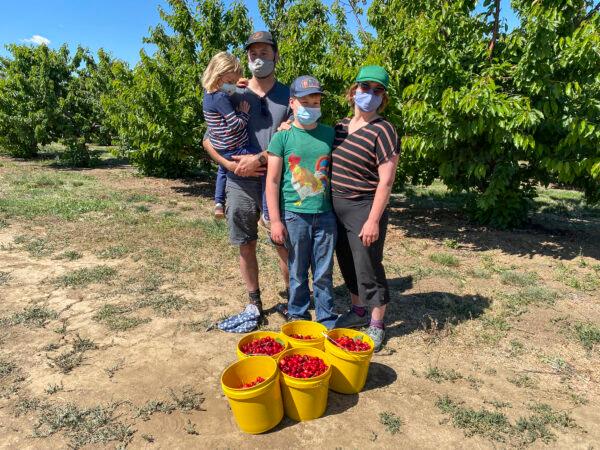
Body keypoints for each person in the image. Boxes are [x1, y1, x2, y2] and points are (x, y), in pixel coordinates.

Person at [202, 31, 290, 316]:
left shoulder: (289, 96)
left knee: (282, 241)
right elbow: (208, 139)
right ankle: (254, 301)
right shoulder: (232, 91)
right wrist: (228, 166)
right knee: (245, 243)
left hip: (277, 181)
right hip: (239, 181)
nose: (259, 59)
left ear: (276, 55)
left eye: (265, 53)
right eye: (253, 54)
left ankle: (293, 297)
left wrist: (260, 159)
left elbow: (296, 138)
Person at [332, 65, 400, 351]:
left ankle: (376, 322)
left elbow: (386, 181)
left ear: (383, 98)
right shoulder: (339, 127)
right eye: (364, 87)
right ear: (353, 91)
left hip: (364, 207)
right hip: (335, 205)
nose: (369, 94)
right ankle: (358, 310)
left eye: (377, 90)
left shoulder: (384, 130)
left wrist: (373, 220)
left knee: (368, 264)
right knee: (346, 260)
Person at [266, 75, 338, 329]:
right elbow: (272, 181)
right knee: (297, 269)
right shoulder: (282, 138)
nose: (310, 106)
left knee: (323, 271)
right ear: (292, 103)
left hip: (325, 214)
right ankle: (297, 313)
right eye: (305, 101)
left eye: (315, 101)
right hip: (295, 216)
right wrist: (275, 220)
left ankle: (326, 317)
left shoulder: (330, 134)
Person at [201, 51, 260, 219]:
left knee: (222, 170)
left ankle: (218, 203)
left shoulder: (208, 94)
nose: (232, 86)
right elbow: (234, 125)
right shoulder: (221, 98)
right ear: (217, 75)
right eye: (229, 82)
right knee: (262, 161)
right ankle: (268, 212)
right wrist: (244, 113)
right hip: (234, 146)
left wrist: (235, 86)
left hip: (220, 146)